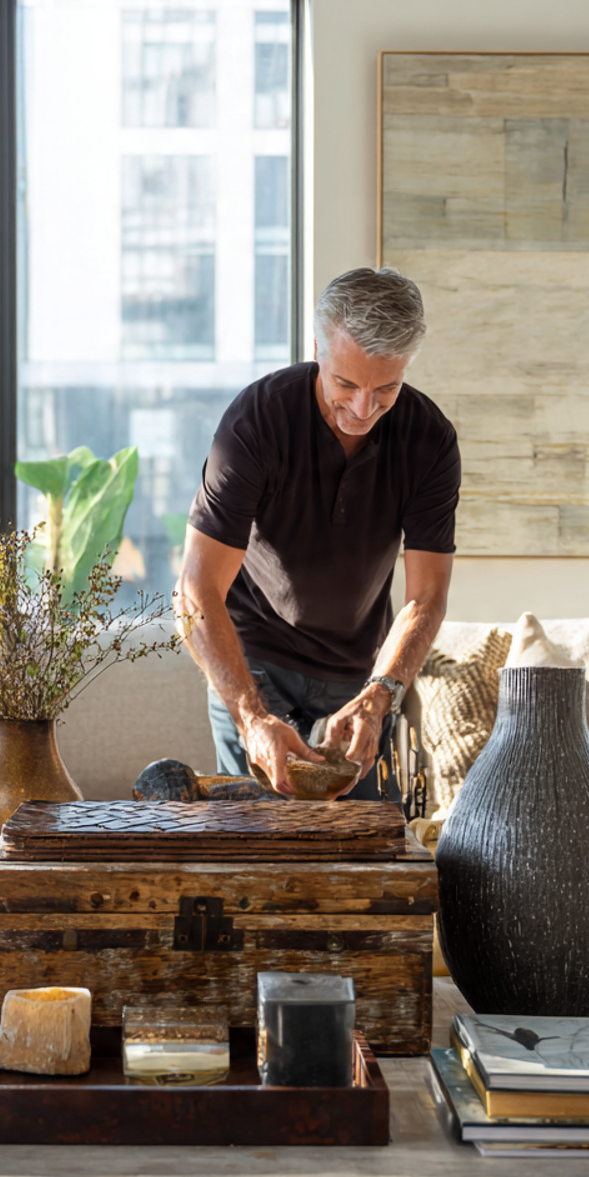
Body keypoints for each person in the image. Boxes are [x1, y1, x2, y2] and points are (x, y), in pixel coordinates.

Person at [175, 267, 460, 799]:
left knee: (371, 856)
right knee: (254, 857)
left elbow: (426, 597)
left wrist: (381, 694)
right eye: (346, 384)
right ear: (317, 350)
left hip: (359, 672)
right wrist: (251, 716)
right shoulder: (255, 423)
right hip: (253, 655)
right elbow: (195, 590)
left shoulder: (430, 440)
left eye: (385, 389)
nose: (362, 409)